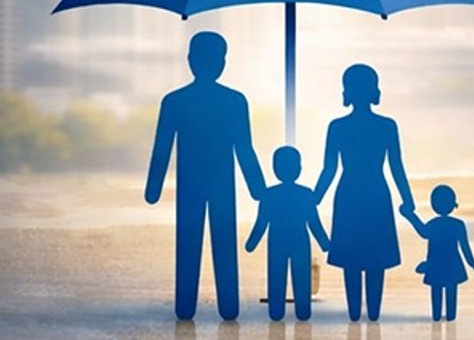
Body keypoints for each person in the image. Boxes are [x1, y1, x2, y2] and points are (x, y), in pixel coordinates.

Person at [144, 30, 266, 321]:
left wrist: (153, 188)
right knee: (225, 243)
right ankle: (229, 307)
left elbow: (162, 148)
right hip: (221, 184)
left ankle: (185, 307)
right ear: (222, 62)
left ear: (190, 60)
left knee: (188, 243)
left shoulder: (175, 101)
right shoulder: (234, 101)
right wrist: (258, 188)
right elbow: (244, 147)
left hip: (190, 185)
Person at [313, 63, 415, 322]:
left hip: (349, 193)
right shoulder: (386, 126)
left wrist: (315, 198)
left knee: (351, 258)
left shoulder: (337, 127)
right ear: (374, 90)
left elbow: (329, 169)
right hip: (376, 192)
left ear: (346, 91)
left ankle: (354, 313)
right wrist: (407, 199)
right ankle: (374, 313)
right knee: (375, 258)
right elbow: (396, 167)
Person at [245, 145, 330, 322]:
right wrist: (325, 243)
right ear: (299, 168)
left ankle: (276, 311)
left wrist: (251, 243)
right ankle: (303, 310)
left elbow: (261, 223)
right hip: (300, 241)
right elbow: (314, 223)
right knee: (301, 277)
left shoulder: (269, 196)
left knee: (276, 275)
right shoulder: (305, 195)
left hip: (277, 242)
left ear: (275, 169)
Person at [402, 183, 474, 322]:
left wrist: (410, 215)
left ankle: (436, 315)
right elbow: (464, 246)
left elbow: (422, 232)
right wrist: (471, 261)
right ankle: (450, 315)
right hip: (452, 264)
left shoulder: (433, 224)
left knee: (436, 290)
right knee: (451, 290)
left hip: (435, 264)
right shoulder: (458, 224)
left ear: (434, 204)